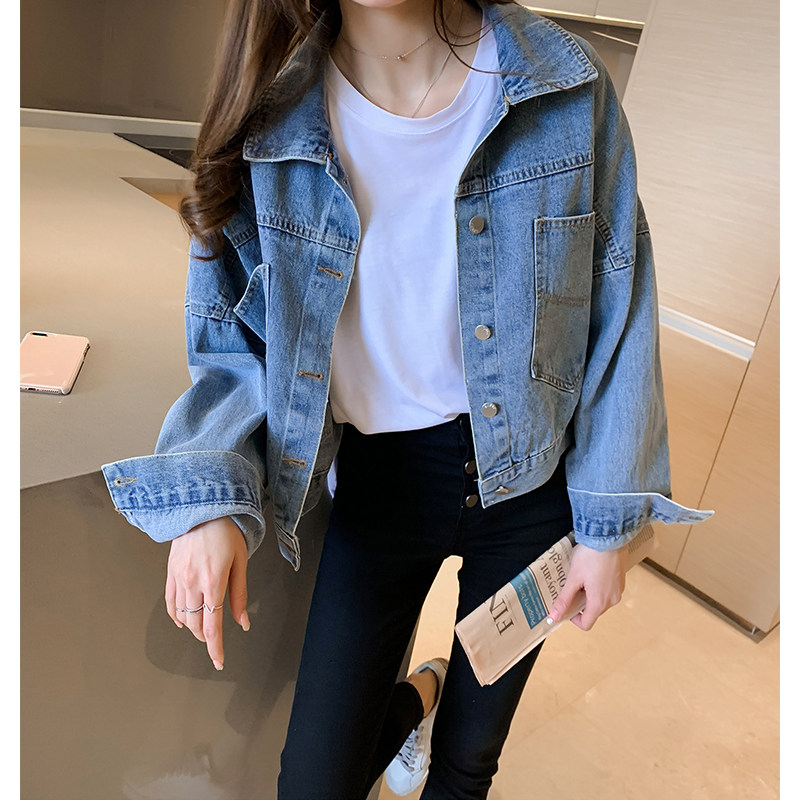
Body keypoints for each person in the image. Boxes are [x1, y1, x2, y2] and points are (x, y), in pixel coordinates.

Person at [102, 0, 712, 797]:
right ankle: (421, 693)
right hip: (382, 484)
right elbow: (233, 339)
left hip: (531, 484)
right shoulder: (269, 119)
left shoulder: (564, 86)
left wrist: (606, 524)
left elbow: (619, 301)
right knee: (316, 781)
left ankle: (438, 709)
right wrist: (211, 489)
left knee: (469, 760)